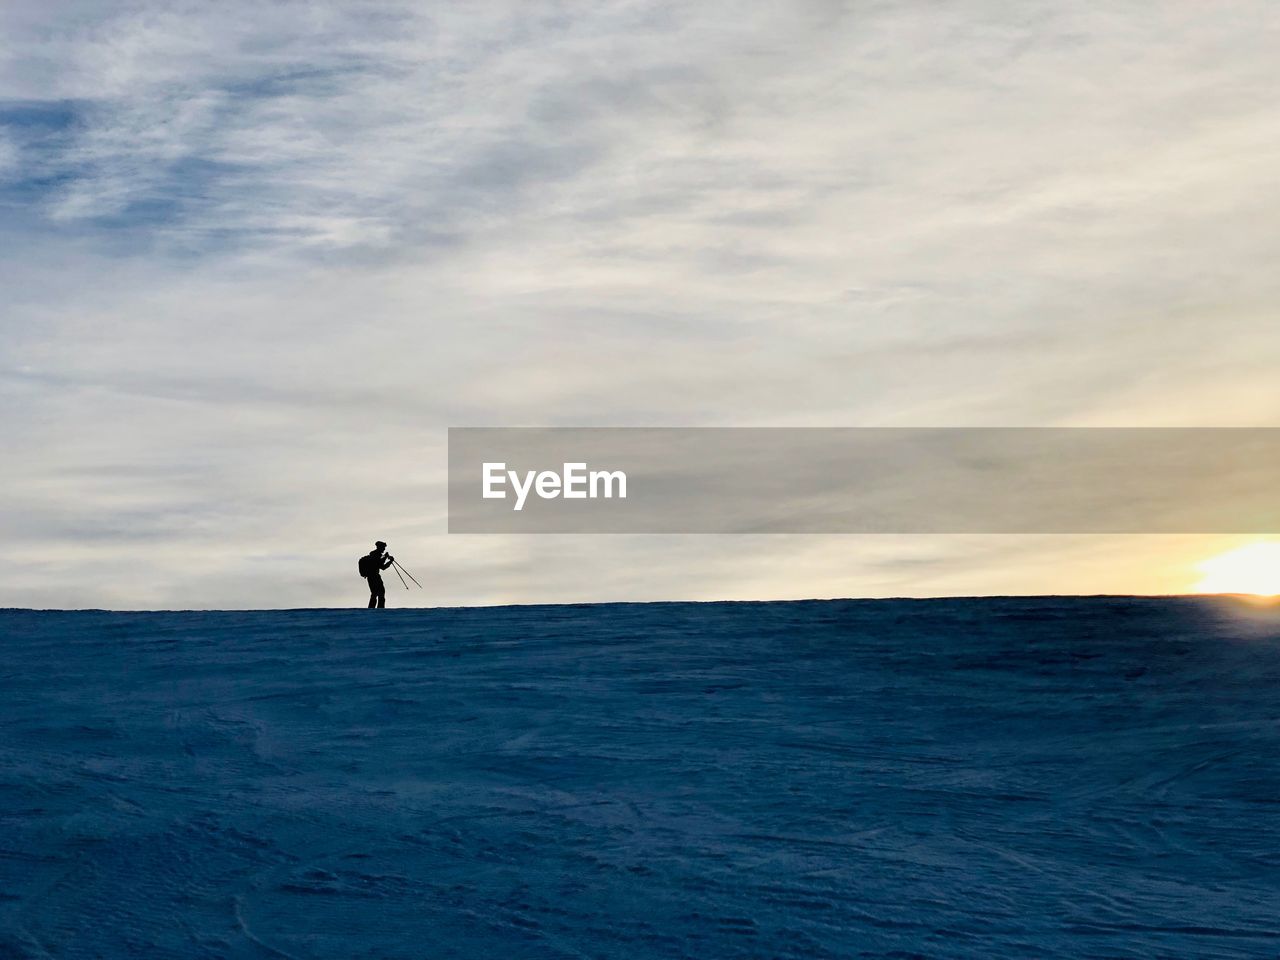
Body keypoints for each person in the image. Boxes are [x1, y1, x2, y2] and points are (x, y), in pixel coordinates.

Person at [362, 541, 395, 608]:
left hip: (371, 577)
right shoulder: (375, 555)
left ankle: (372, 609)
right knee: (379, 593)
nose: (384, 549)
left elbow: (380, 564)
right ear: (380, 547)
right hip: (374, 576)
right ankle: (380, 610)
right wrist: (389, 561)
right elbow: (382, 566)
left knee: (375, 593)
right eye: (383, 547)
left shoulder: (374, 554)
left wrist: (385, 558)